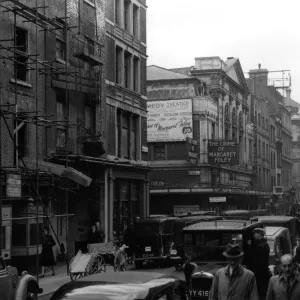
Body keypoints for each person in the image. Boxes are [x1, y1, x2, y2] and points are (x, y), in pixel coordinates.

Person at [250, 228, 271, 300]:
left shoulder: (260, 246)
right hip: (264, 273)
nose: (253, 235)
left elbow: (258, 262)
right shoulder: (265, 244)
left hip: (259, 274)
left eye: (255, 233)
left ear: (259, 234)